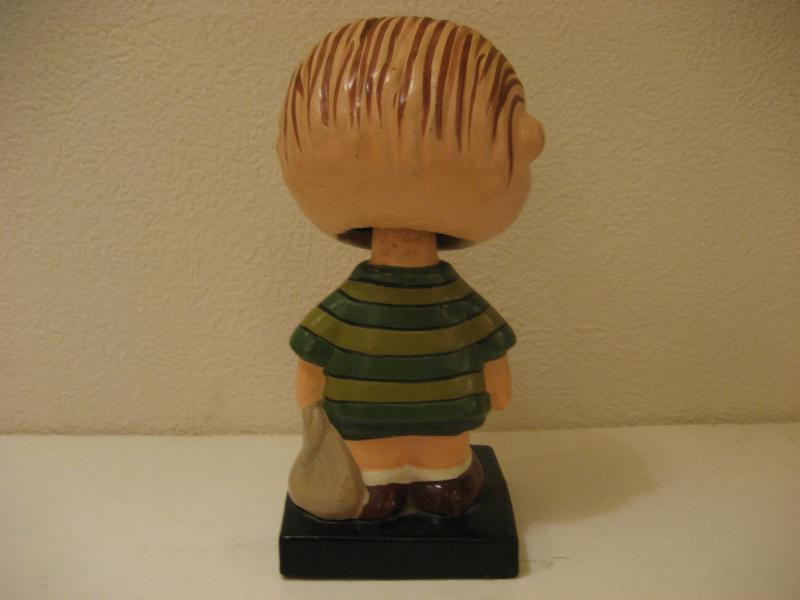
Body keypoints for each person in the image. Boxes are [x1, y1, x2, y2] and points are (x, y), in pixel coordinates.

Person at [277, 16, 545, 520]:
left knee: (433, 462)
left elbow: (314, 355)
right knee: (399, 465)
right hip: (388, 419)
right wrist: (497, 386)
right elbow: (490, 348)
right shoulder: (418, 301)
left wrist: (310, 395)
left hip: (418, 418)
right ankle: (397, 480)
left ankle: (417, 478)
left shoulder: (415, 301)